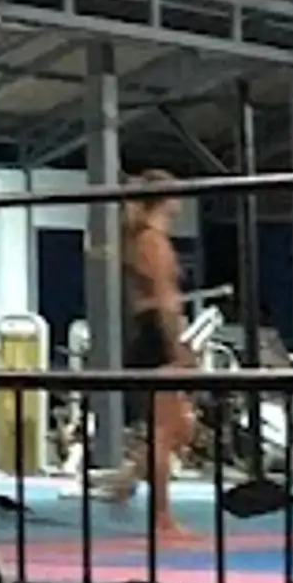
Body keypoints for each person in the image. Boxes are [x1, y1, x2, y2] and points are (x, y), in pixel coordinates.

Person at [101, 175, 190, 503]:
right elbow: (165, 298)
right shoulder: (152, 242)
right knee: (167, 429)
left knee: (177, 427)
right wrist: (176, 346)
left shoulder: (146, 239)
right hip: (155, 332)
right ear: (165, 199)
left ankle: (127, 480)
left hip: (150, 329)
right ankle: (161, 514)